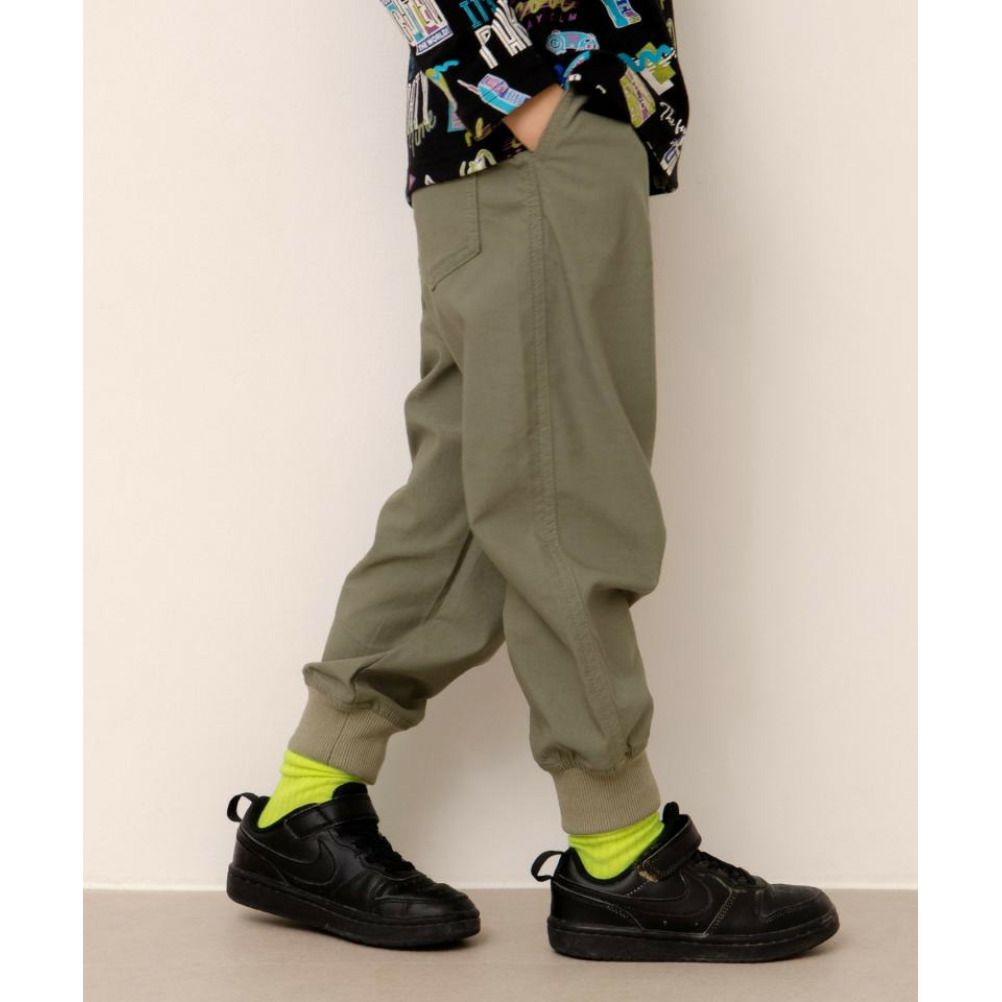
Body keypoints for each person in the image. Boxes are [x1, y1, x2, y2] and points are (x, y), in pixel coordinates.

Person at [225, 1, 840, 961]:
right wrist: (533, 102)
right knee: (568, 492)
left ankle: (309, 799)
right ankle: (620, 851)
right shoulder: (534, 117)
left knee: (465, 504)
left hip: (533, 138)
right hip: (526, 134)